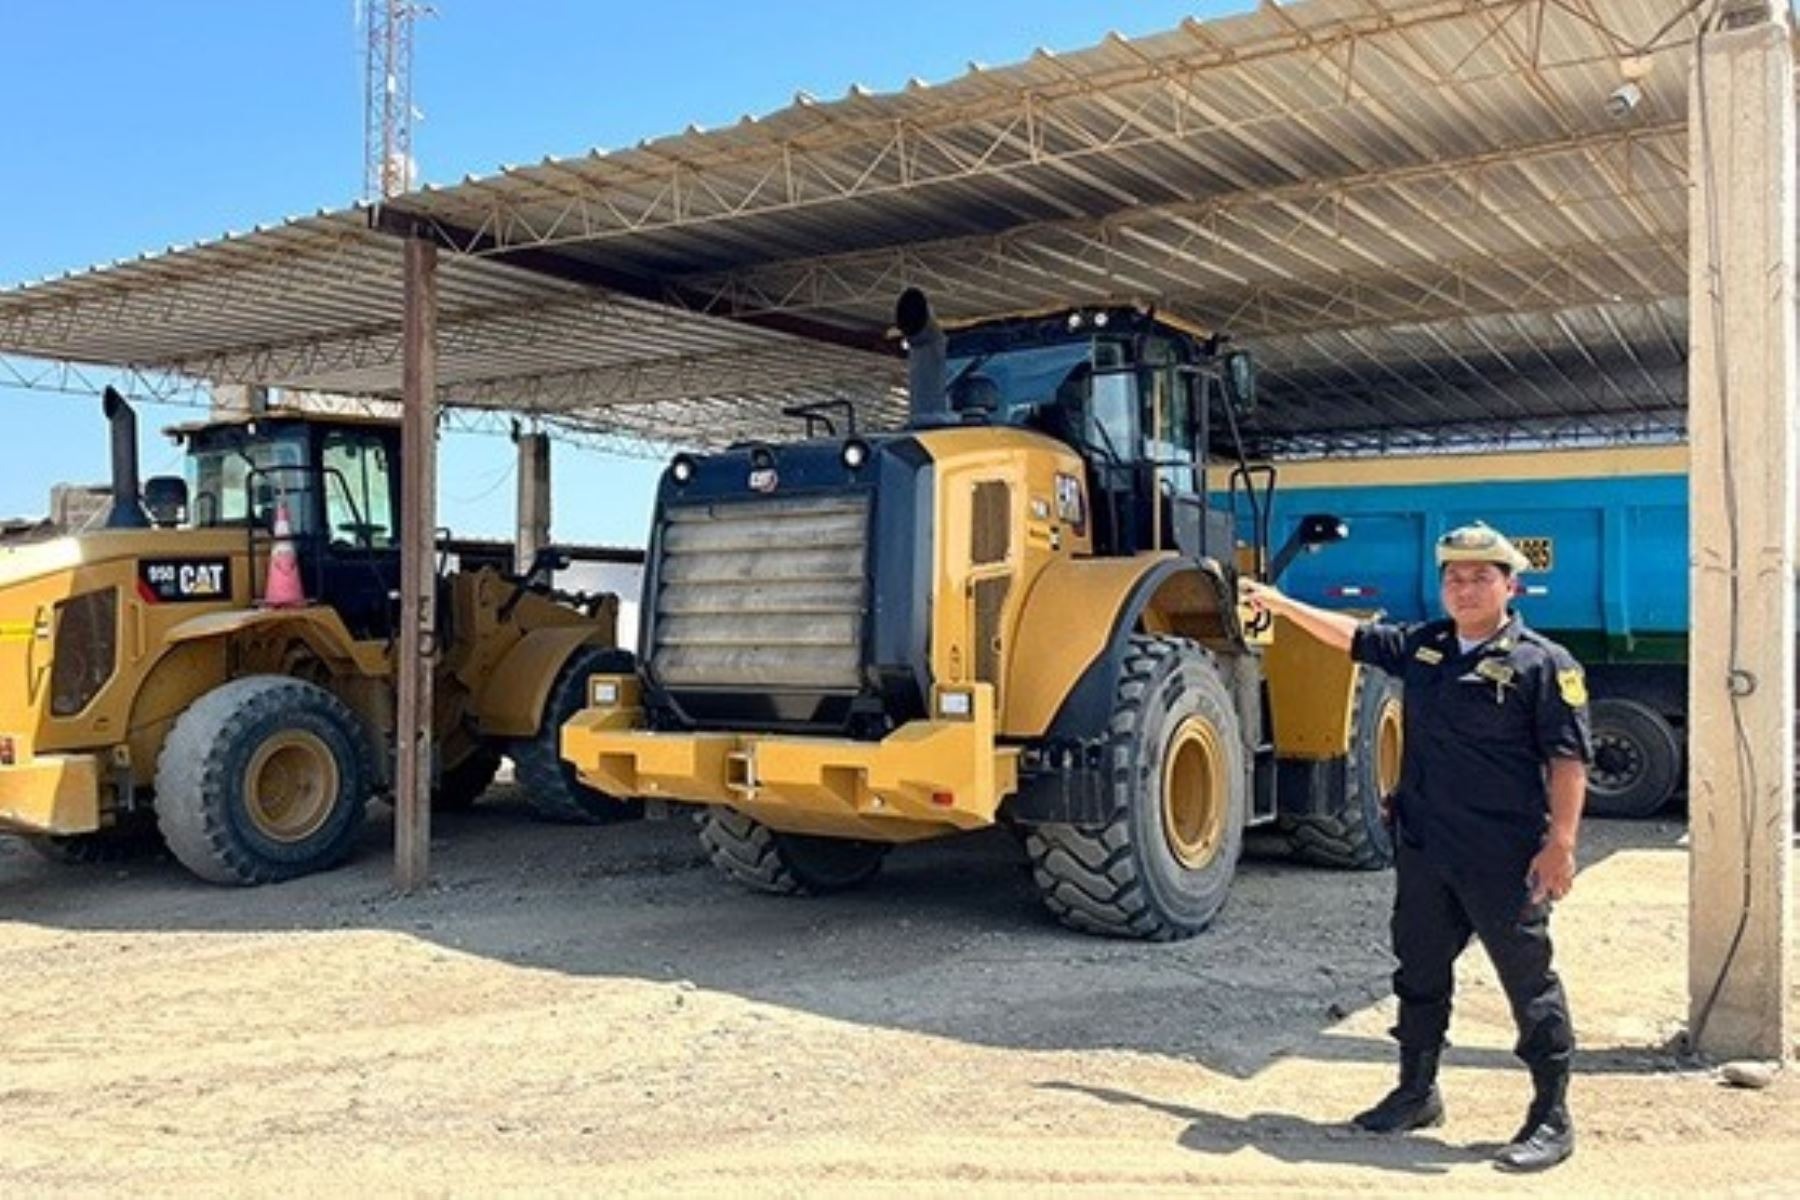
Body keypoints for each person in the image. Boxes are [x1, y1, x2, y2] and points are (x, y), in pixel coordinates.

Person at [1241, 521, 1591, 1173]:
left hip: (1504, 853)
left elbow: (1569, 760)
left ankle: (1551, 1114)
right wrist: (1284, 605)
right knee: (1420, 972)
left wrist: (1561, 845)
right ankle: (1416, 1091)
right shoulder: (1426, 646)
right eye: (1454, 578)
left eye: (1480, 577)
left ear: (1510, 585)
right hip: (1426, 846)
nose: (1464, 588)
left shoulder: (1543, 664)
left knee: (1527, 981)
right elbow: (1352, 638)